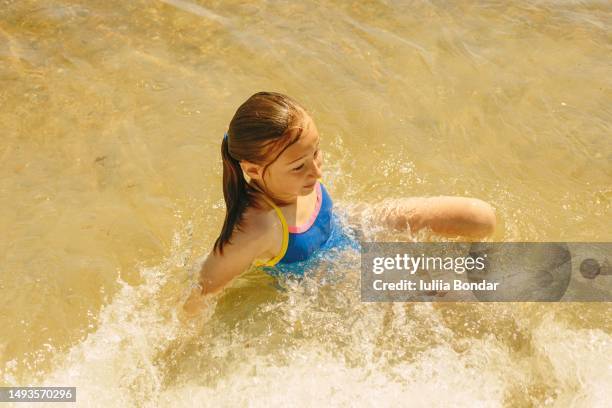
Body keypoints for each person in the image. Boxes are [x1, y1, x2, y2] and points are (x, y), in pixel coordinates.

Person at [181, 91, 496, 318]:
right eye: (299, 167)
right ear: (252, 170)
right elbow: (200, 291)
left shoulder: (293, 168)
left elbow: (315, 182)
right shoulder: (258, 227)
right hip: (331, 275)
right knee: (458, 297)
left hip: (350, 222)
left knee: (479, 217)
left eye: (315, 153)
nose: (317, 172)